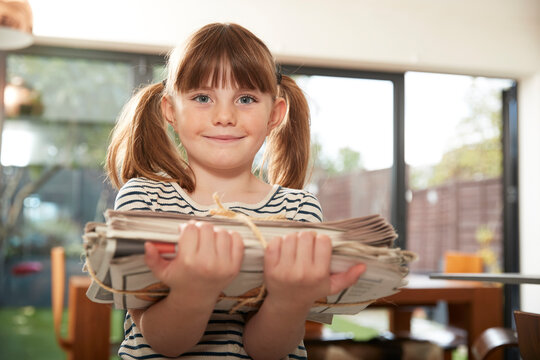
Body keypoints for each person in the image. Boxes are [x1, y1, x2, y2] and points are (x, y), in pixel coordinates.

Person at [105, 22, 366, 360]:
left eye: (245, 99)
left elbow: (267, 351)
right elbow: (164, 343)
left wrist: (287, 300)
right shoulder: (144, 200)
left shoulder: (299, 210)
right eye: (202, 97)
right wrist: (196, 290)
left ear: (275, 114)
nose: (225, 115)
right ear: (171, 110)